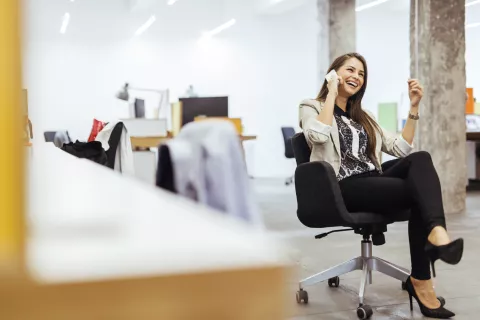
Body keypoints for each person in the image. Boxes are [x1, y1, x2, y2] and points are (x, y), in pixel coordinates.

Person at [299, 52, 463, 319]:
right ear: (334, 72)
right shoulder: (311, 106)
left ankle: (436, 233)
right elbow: (317, 135)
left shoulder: (364, 116)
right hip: (343, 187)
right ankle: (422, 279)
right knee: (418, 195)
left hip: (372, 179)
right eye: (350, 70)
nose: (356, 77)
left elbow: (400, 147)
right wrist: (330, 93)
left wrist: (413, 108)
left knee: (420, 158)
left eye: (361, 74)